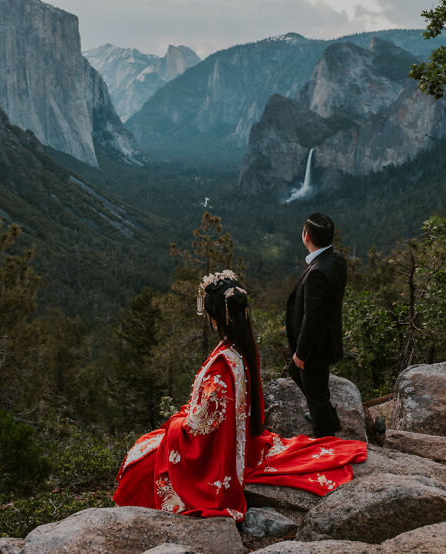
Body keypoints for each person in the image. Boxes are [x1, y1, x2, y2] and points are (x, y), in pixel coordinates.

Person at [113, 270, 366, 521]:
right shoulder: (242, 347)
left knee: (141, 467)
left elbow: (202, 428)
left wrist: (177, 424)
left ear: (216, 317)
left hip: (212, 448)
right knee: (147, 448)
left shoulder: (222, 366)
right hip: (234, 435)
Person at [286, 213, 346, 438]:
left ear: (307, 236)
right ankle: (327, 416)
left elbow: (312, 319)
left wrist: (302, 353)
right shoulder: (336, 258)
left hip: (316, 346)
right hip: (327, 338)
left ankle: (325, 434)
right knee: (297, 373)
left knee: (315, 390)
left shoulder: (317, 272)